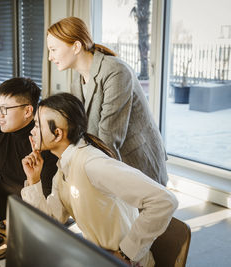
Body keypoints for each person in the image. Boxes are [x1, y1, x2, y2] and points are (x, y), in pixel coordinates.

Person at [21, 93, 178, 267]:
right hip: (97, 257)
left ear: (57, 134)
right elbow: (51, 220)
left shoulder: (92, 164)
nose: (32, 131)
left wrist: (127, 254)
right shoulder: (64, 165)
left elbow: (164, 200)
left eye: (36, 125)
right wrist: (34, 180)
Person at [46, 17, 168, 186]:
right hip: (108, 163)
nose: (50, 57)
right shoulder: (77, 80)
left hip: (136, 163)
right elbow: (81, 129)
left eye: (53, 50)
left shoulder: (116, 71)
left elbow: (108, 138)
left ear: (76, 46)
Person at [0, 77, 58, 221]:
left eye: (5, 109)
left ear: (27, 111)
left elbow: (47, 196)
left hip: (31, 213)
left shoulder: (44, 140)